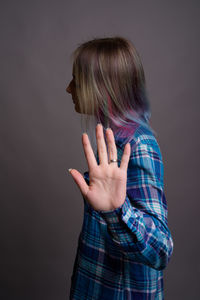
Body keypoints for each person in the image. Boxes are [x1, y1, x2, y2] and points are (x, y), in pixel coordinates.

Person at [66, 36, 173, 300]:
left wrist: (117, 211)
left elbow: (160, 249)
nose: (69, 89)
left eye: (77, 80)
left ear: (101, 87)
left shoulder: (139, 145)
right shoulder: (116, 139)